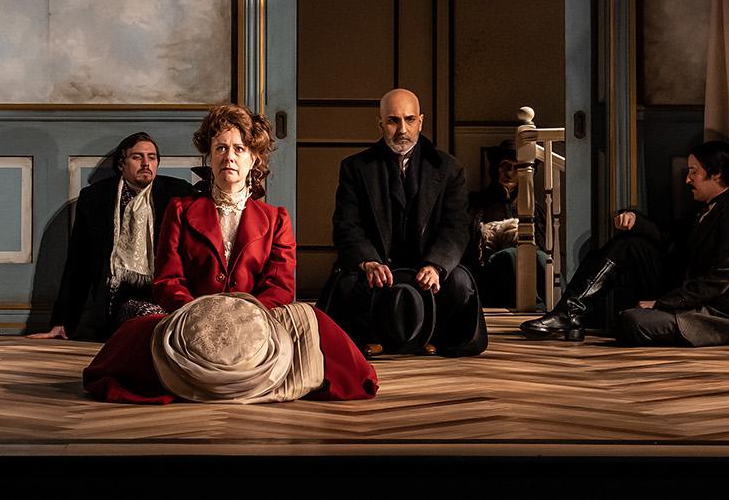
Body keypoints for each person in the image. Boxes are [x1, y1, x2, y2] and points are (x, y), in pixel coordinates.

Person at [83, 104, 376, 404]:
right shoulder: (181, 210)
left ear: (254, 158)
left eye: (239, 148)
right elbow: (168, 279)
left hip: (259, 322)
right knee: (134, 334)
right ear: (209, 157)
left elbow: (280, 287)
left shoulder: (277, 219)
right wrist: (197, 313)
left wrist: (247, 317)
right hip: (192, 321)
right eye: (220, 148)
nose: (229, 156)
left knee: (312, 321)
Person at [520, 139, 729, 346]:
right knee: (630, 244)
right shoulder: (704, 209)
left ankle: (578, 316)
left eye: (694, 171)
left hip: (713, 315)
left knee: (629, 321)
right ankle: (569, 312)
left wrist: (661, 303)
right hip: (685, 294)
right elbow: (669, 240)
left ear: (717, 173)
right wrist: (635, 221)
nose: (688, 180)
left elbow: (719, 280)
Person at [318, 88, 487, 357]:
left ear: (421, 121)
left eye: (409, 120)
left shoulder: (448, 168)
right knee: (348, 285)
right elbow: (347, 225)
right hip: (379, 266)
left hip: (426, 266)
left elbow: (455, 227)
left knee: (458, 284)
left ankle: (433, 336)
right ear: (381, 123)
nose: (402, 129)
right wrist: (369, 262)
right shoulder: (355, 168)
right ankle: (372, 337)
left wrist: (436, 265)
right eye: (393, 120)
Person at [29, 132, 194, 340]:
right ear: (121, 165)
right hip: (120, 295)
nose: (146, 163)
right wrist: (62, 322)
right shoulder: (96, 198)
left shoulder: (177, 192)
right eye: (137, 157)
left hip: (166, 290)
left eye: (152, 157)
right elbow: (78, 263)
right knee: (151, 320)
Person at [466, 142, 549, 308]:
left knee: (539, 257)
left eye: (517, 168)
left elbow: (543, 246)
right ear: (496, 167)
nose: (509, 173)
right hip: (490, 274)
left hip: (527, 270)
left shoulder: (534, 207)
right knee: (511, 255)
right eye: (504, 166)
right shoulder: (477, 203)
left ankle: (544, 305)